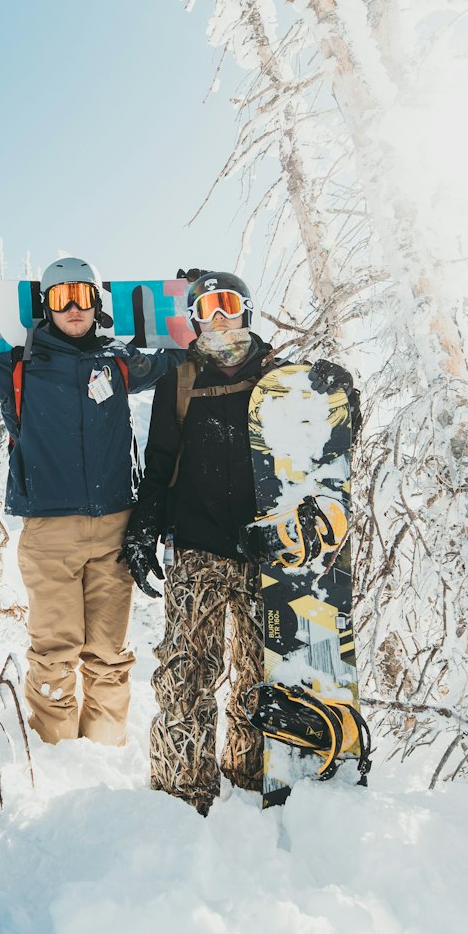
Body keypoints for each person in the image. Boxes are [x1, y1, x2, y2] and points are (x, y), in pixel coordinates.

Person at [0, 255, 184, 747]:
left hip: (116, 529)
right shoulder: (19, 364)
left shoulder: (120, 361)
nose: (74, 307)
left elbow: (182, 357)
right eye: (61, 298)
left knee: (109, 654)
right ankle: (57, 754)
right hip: (49, 532)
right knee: (56, 652)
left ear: (97, 305)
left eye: (82, 297)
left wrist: (189, 304)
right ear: (47, 306)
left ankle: (102, 751)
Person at [119, 270, 357, 814]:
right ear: (195, 320)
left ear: (246, 311)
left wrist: (342, 395)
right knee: (186, 668)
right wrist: (144, 529)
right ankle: (181, 792)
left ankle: (251, 775)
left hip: (264, 554)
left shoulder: (281, 378)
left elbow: (325, 452)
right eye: (206, 308)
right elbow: (158, 466)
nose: (218, 317)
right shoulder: (178, 380)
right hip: (198, 546)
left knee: (256, 671)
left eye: (227, 304)